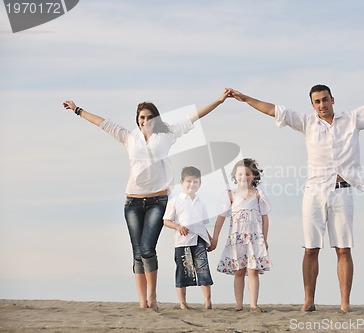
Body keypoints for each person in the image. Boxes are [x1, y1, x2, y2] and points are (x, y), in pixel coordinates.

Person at [229, 82, 364, 313]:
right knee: (310, 248)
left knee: (344, 248)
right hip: (314, 192)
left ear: (332, 100)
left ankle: (345, 304)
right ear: (312, 105)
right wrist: (245, 98)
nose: (322, 104)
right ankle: (308, 300)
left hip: (342, 191)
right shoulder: (307, 123)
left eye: (325, 99)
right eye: (317, 101)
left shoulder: (352, 119)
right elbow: (274, 110)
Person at [62, 89, 231, 311]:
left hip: (157, 201)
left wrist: (218, 101)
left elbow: (193, 117)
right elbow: (102, 123)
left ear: (156, 119)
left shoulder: (167, 136)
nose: (146, 120)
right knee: (137, 253)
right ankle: (142, 300)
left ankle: (152, 296)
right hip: (132, 202)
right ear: (138, 120)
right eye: (142, 117)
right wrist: (77, 109)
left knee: (147, 249)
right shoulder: (129, 137)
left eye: (150, 117)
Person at [208, 158, 271, 312]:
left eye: (248, 174)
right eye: (241, 174)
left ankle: (253, 304)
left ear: (254, 176)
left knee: (253, 270)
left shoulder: (258, 195)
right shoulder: (230, 195)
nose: (244, 177)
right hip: (237, 239)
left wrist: (265, 238)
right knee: (239, 270)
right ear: (235, 176)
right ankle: (238, 304)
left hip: (254, 239)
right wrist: (215, 238)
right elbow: (221, 218)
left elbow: (265, 218)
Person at [163, 166, 213, 310]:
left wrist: (210, 240)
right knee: (183, 271)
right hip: (182, 242)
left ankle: (207, 302)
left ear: (200, 184)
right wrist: (178, 227)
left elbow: (202, 225)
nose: (192, 185)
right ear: (181, 182)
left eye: (195, 182)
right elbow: (166, 221)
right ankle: (183, 303)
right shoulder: (175, 201)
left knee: (203, 270)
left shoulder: (200, 202)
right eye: (189, 182)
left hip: (200, 241)